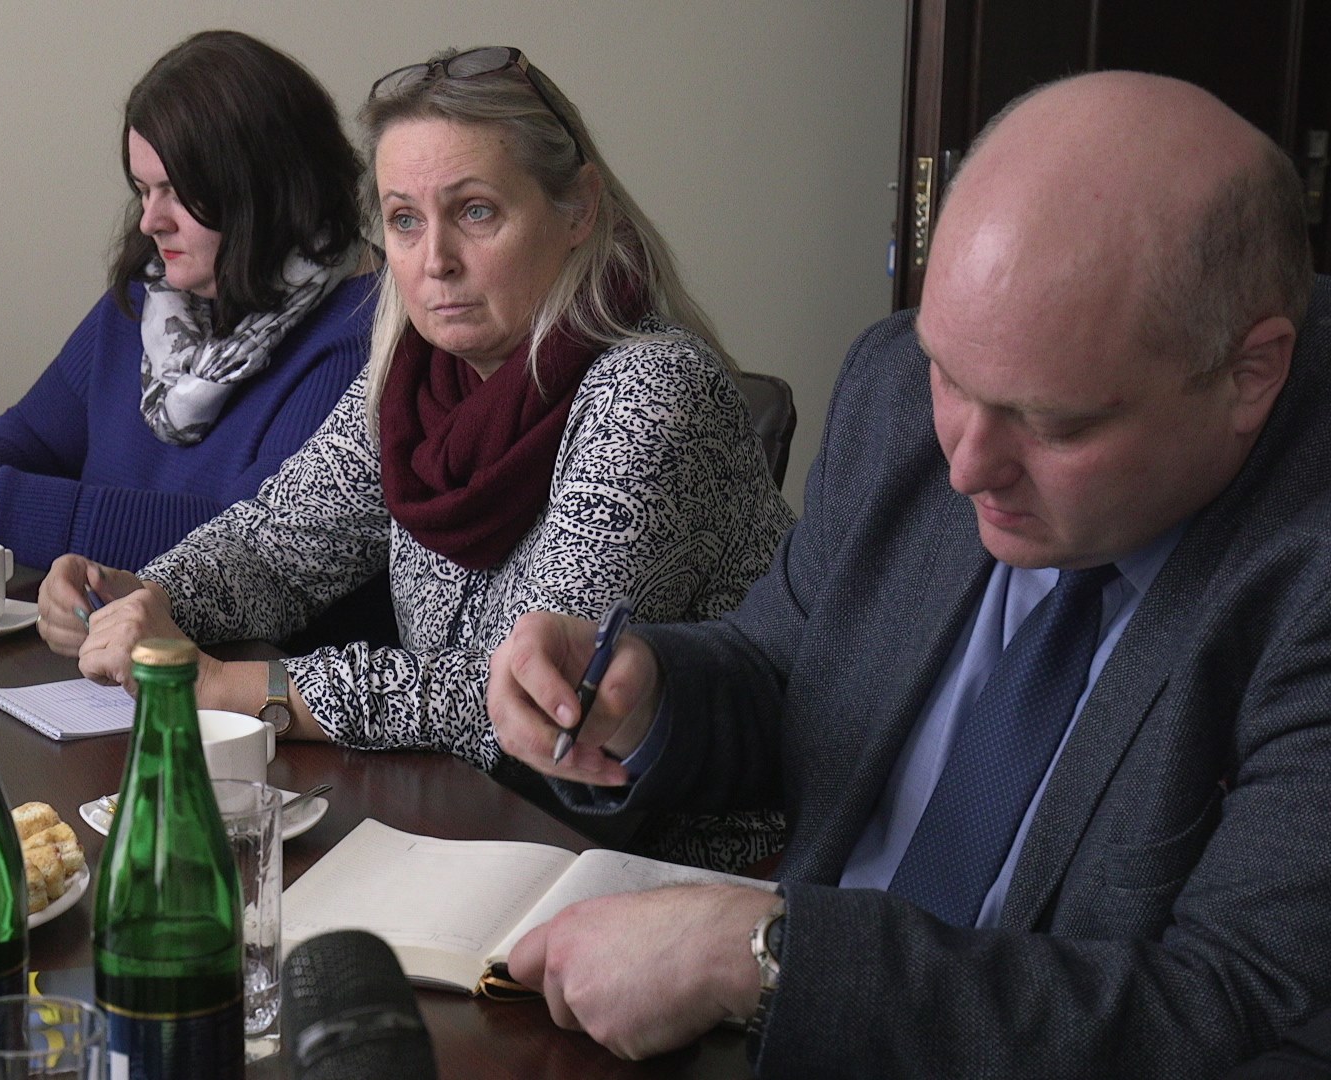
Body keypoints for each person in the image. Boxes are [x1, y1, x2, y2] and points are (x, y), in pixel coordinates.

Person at [487, 71, 1331, 1074]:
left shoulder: (1305, 578)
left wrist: (767, 959)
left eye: (1054, 424)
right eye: (950, 376)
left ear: (1250, 373)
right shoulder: (895, 391)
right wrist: (644, 697)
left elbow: (1239, 1011)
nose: (965, 465)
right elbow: (787, 674)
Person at [39, 46, 793, 870]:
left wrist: (245, 690)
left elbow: (527, 700)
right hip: (473, 829)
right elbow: (275, 546)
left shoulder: (652, 390)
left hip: (663, 870)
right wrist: (142, 600)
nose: (434, 261)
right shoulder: (412, 379)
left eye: (476, 212)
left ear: (579, 209)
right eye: (404, 220)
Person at [0, 30, 375, 571]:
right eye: (144, 191)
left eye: (177, 191)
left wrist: (4, 511)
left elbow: (254, 551)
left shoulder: (360, 335)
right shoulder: (153, 295)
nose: (150, 222)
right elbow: (35, 434)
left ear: (264, 186)